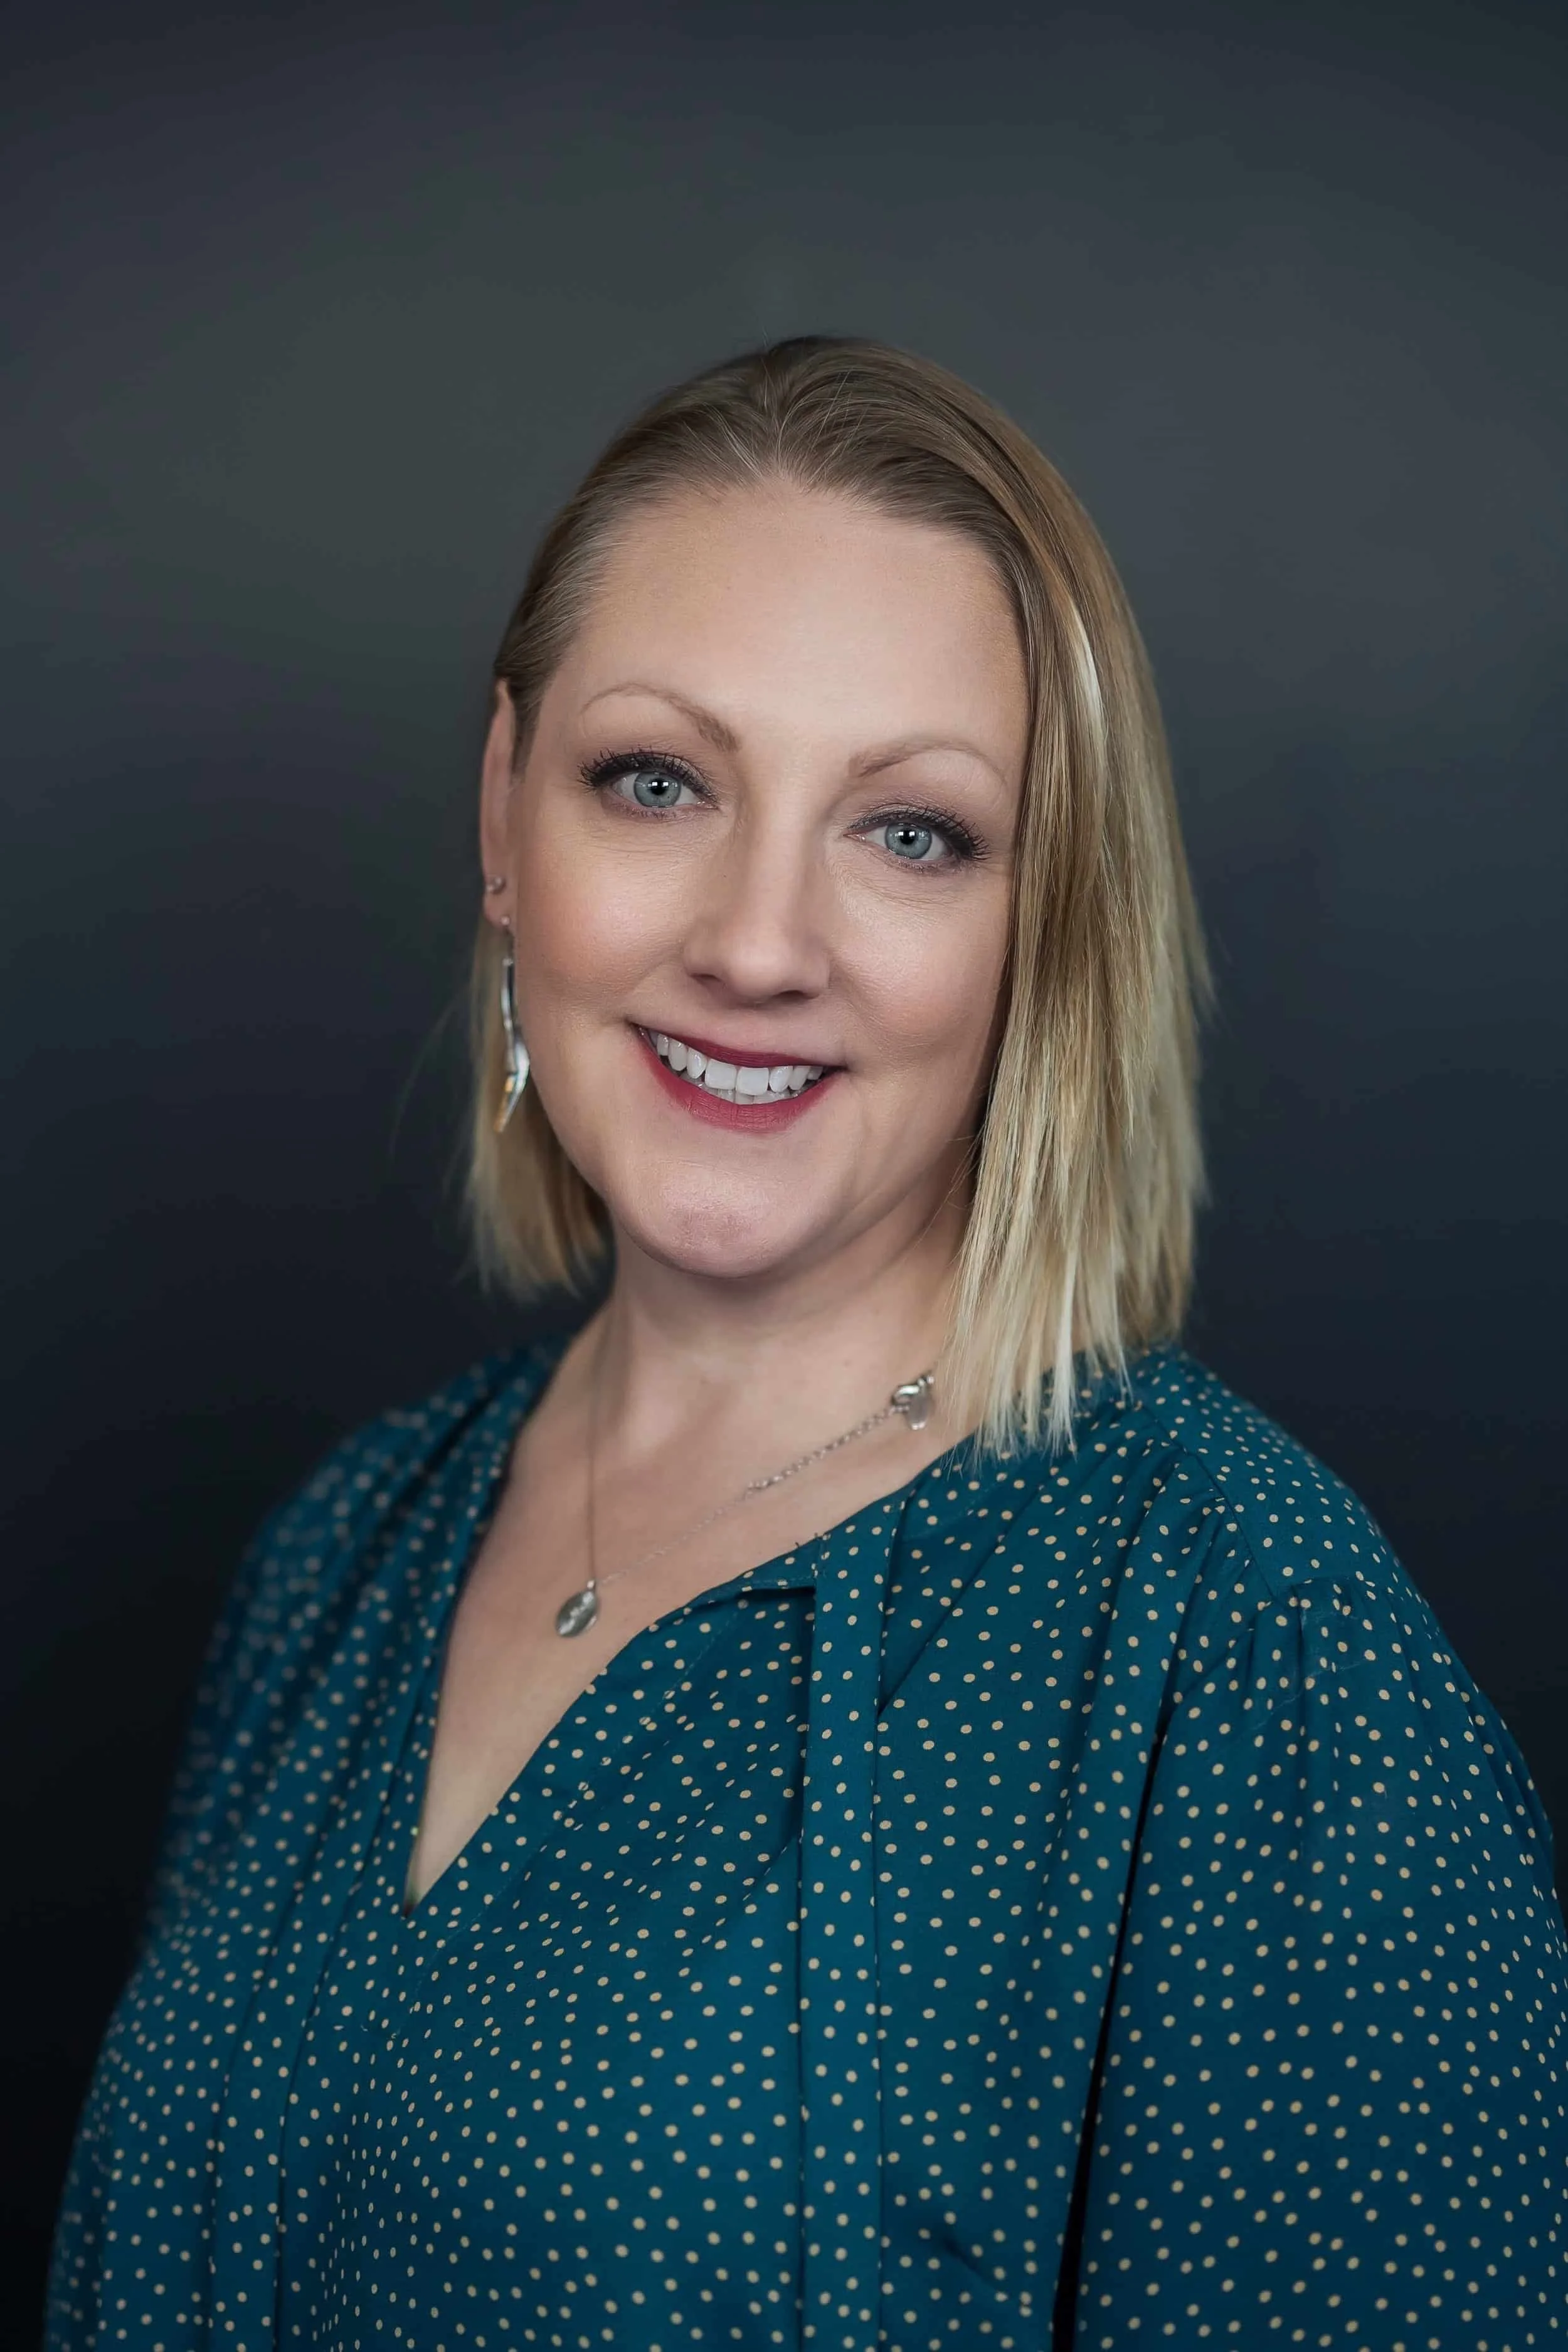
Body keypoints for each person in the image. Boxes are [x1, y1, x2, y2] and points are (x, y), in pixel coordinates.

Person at [48, 338, 1567, 2352]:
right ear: (506, 809)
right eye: (656, 780)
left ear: (1045, 919)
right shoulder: (345, 1547)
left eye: (910, 831)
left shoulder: (1239, 1647)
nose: (758, 942)